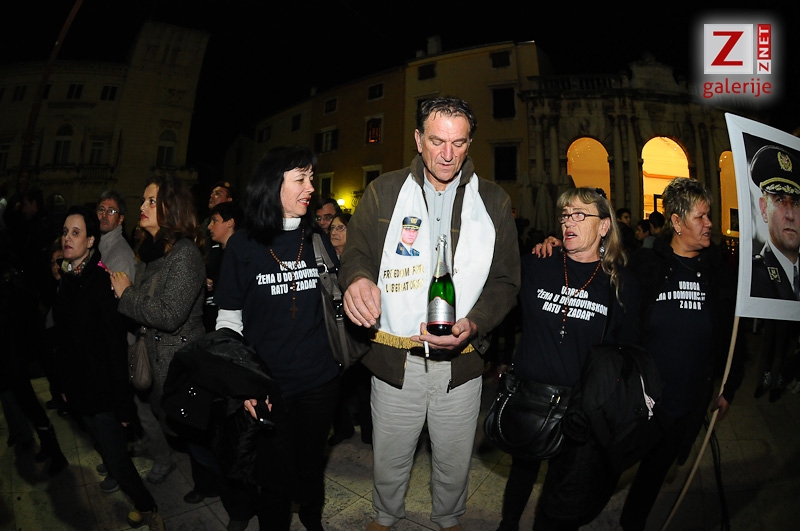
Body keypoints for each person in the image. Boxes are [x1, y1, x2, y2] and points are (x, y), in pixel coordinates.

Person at [340, 97, 521, 531]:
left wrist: (474, 323)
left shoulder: (493, 201)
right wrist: (358, 279)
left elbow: (505, 281)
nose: (447, 154)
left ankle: (448, 518)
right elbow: (356, 252)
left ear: (469, 143)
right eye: (437, 141)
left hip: (462, 362)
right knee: (390, 452)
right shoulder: (383, 191)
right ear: (419, 139)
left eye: (458, 143)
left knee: (455, 457)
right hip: (395, 357)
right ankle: (385, 515)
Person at [496, 187, 639, 531]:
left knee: (561, 491)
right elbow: (502, 306)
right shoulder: (538, 263)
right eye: (564, 215)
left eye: (579, 215)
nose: (568, 222)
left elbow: (623, 351)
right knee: (522, 472)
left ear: (603, 226)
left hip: (577, 410)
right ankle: (508, 525)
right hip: (530, 399)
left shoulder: (618, 283)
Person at [215, 145, 342, 530]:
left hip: (319, 381)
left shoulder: (316, 239)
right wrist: (243, 386)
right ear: (273, 185)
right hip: (267, 388)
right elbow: (228, 322)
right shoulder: (242, 245)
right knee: (272, 479)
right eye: (300, 179)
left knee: (311, 465)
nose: (310, 188)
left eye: (311, 179)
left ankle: (312, 519)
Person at [619, 177, 743, 531]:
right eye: (700, 217)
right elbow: (620, 319)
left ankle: (632, 523)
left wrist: (729, 386)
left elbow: (730, 333)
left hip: (685, 403)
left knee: (654, 471)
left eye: (708, 216)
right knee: (607, 464)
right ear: (676, 221)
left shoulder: (716, 271)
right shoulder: (645, 265)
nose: (709, 224)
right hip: (640, 399)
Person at [53, 205, 164, 530]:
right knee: (104, 450)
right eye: (65, 232)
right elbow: (63, 340)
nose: (68, 238)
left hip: (103, 396)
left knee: (118, 461)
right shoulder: (67, 279)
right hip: (78, 392)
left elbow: (115, 350)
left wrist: (123, 406)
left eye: (76, 233)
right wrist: (63, 385)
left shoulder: (103, 283)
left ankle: (149, 508)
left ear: (90, 241)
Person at [108, 175, 205, 488]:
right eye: (143, 200)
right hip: (155, 362)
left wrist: (126, 294)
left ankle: (221, 489)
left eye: (152, 201)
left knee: (197, 438)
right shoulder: (152, 253)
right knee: (171, 426)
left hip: (179, 367)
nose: (143, 206)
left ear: (171, 208)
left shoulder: (184, 253)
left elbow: (169, 315)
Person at [748, 145, 800, 401]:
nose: (790, 214)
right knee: (770, 345)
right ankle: (764, 380)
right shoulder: (756, 273)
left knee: (784, 347)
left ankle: (778, 380)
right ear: (763, 208)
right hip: (773, 320)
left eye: (796, 202)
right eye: (779, 200)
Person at [327, 211, 373, 447]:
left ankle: (369, 430)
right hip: (334, 332)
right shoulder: (325, 258)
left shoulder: (363, 261)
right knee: (338, 383)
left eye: (340, 228)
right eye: (332, 228)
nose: (334, 232)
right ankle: (343, 428)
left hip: (361, 330)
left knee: (364, 383)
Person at [204, 201, 243, 331]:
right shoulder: (214, 253)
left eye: (215, 221)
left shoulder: (242, 256)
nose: (209, 226)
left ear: (230, 222)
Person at [97, 190, 136, 279]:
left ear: (120, 219)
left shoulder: (122, 257)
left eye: (111, 211)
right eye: (101, 209)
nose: (104, 215)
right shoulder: (96, 244)